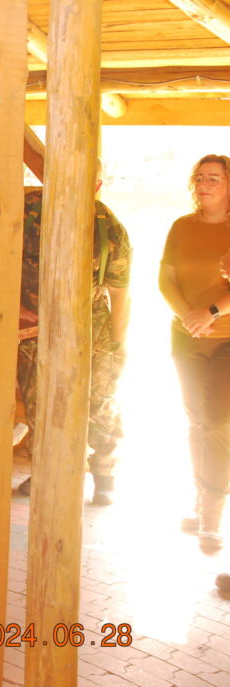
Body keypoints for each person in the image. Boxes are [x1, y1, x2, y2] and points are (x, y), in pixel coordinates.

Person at [16, 167, 132, 506]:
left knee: (100, 402)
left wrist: (116, 346)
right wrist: (14, 308)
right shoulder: (27, 212)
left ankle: (104, 472)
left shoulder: (108, 228)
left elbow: (120, 293)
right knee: (39, 402)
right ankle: (46, 471)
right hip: (37, 326)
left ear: (97, 185)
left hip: (92, 328)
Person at [159, 153, 230, 553]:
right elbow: (165, 278)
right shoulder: (181, 227)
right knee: (196, 421)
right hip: (186, 337)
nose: (204, 184)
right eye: (200, 177)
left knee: (218, 423)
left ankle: (212, 517)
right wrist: (188, 317)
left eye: (214, 178)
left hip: (227, 339)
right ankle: (198, 500)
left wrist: (211, 312)